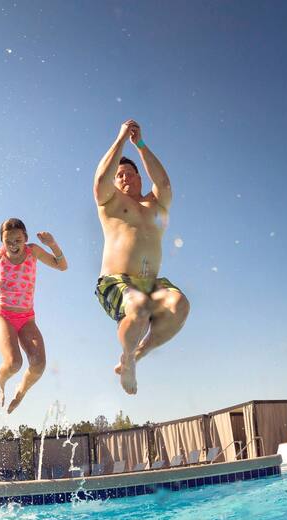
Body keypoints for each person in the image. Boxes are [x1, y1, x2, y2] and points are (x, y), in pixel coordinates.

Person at [93, 119, 190, 394]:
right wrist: (122, 138)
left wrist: (141, 145)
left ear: (139, 177)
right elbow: (101, 180)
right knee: (138, 306)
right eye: (119, 175)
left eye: (129, 174)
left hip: (151, 283)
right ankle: (129, 360)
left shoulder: (155, 205)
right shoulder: (110, 202)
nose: (124, 177)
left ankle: (135, 356)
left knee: (180, 305)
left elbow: (165, 183)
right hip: (116, 281)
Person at [0, 218, 68, 413]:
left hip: (27, 318)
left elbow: (62, 266)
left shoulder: (33, 251)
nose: (13, 245)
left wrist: (53, 244)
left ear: (25, 238)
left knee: (39, 365)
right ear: (2, 241)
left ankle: (21, 391)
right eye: (8, 241)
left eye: (18, 240)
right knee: (14, 363)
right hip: (3, 315)